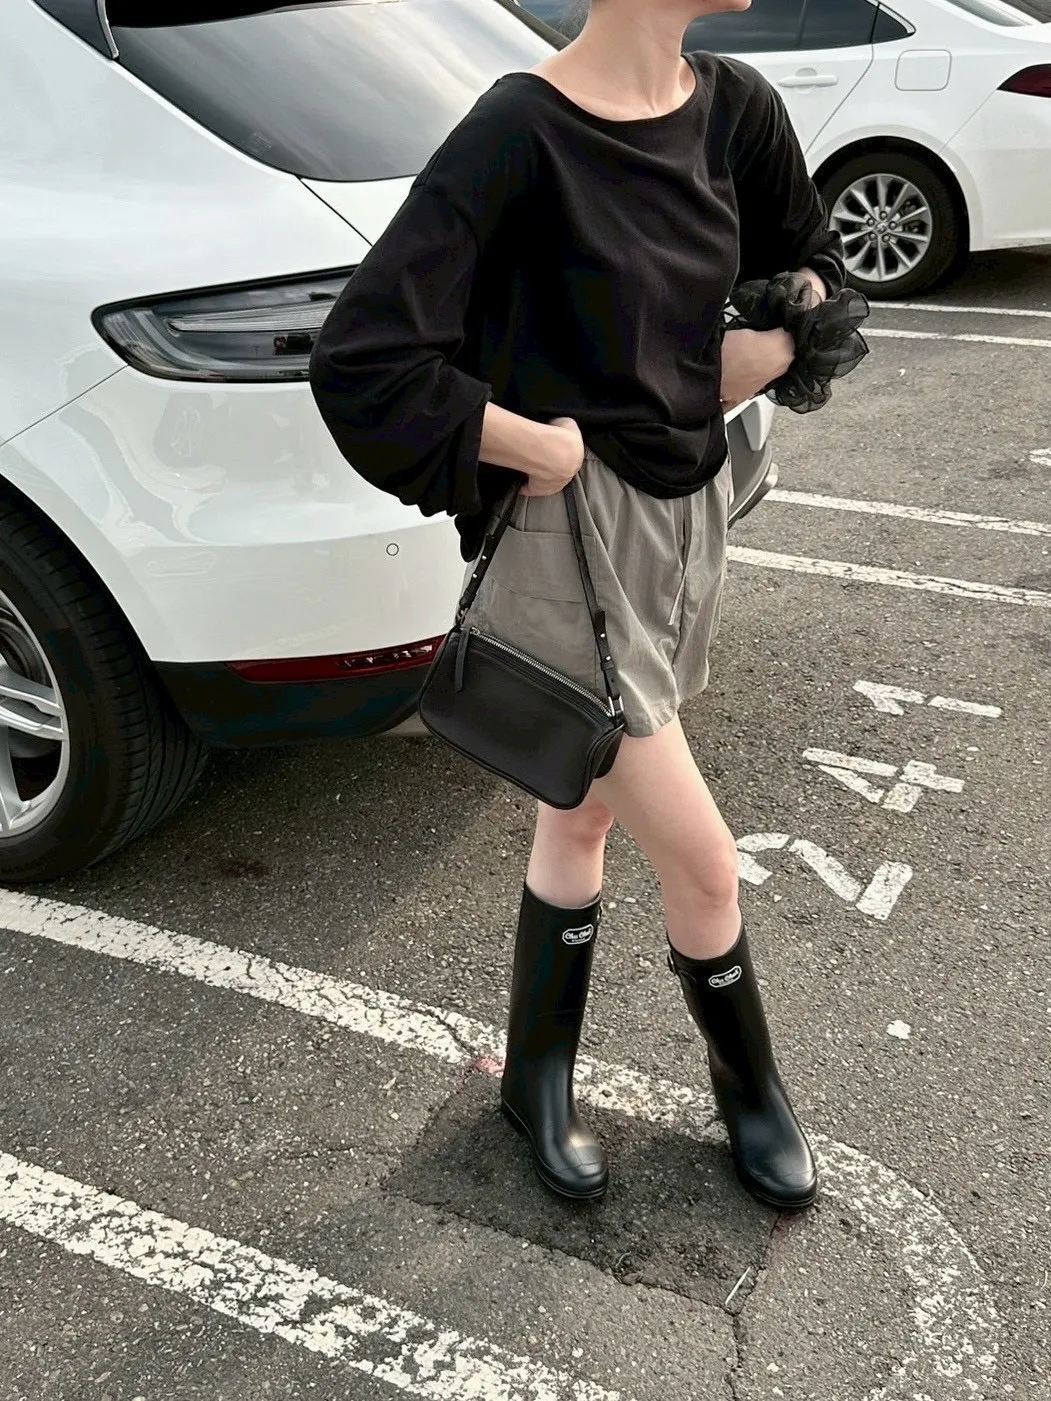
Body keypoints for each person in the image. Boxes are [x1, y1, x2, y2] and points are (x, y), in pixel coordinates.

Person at [310, 0, 853, 1211]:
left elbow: (812, 256)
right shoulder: (521, 130)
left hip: (685, 514)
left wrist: (776, 340)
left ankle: (535, 1079)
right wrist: (527, 445)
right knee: (702, 861)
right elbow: (362, 357)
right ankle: (752, 1093)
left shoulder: (734, 110)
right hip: (572, 536)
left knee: (579, 810)